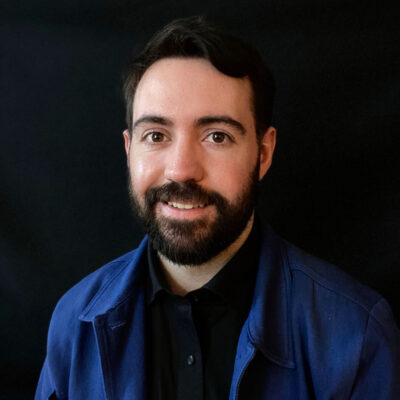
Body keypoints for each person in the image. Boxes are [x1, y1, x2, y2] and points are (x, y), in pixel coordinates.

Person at [35, 16, 400, 400]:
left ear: (263, 153)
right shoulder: (74, 322)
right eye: (156, 135)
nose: (181, 170)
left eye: (216, 136)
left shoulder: (357, 336)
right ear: (129, 150)